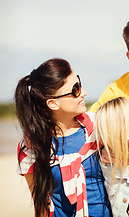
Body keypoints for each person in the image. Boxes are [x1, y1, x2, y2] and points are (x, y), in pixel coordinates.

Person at [16, 58, 112, 216]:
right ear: (53, 104)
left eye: (79, 84)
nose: (84, 93)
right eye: (76, 89)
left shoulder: (99, 127)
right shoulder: (31, 146)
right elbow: (40, 206)